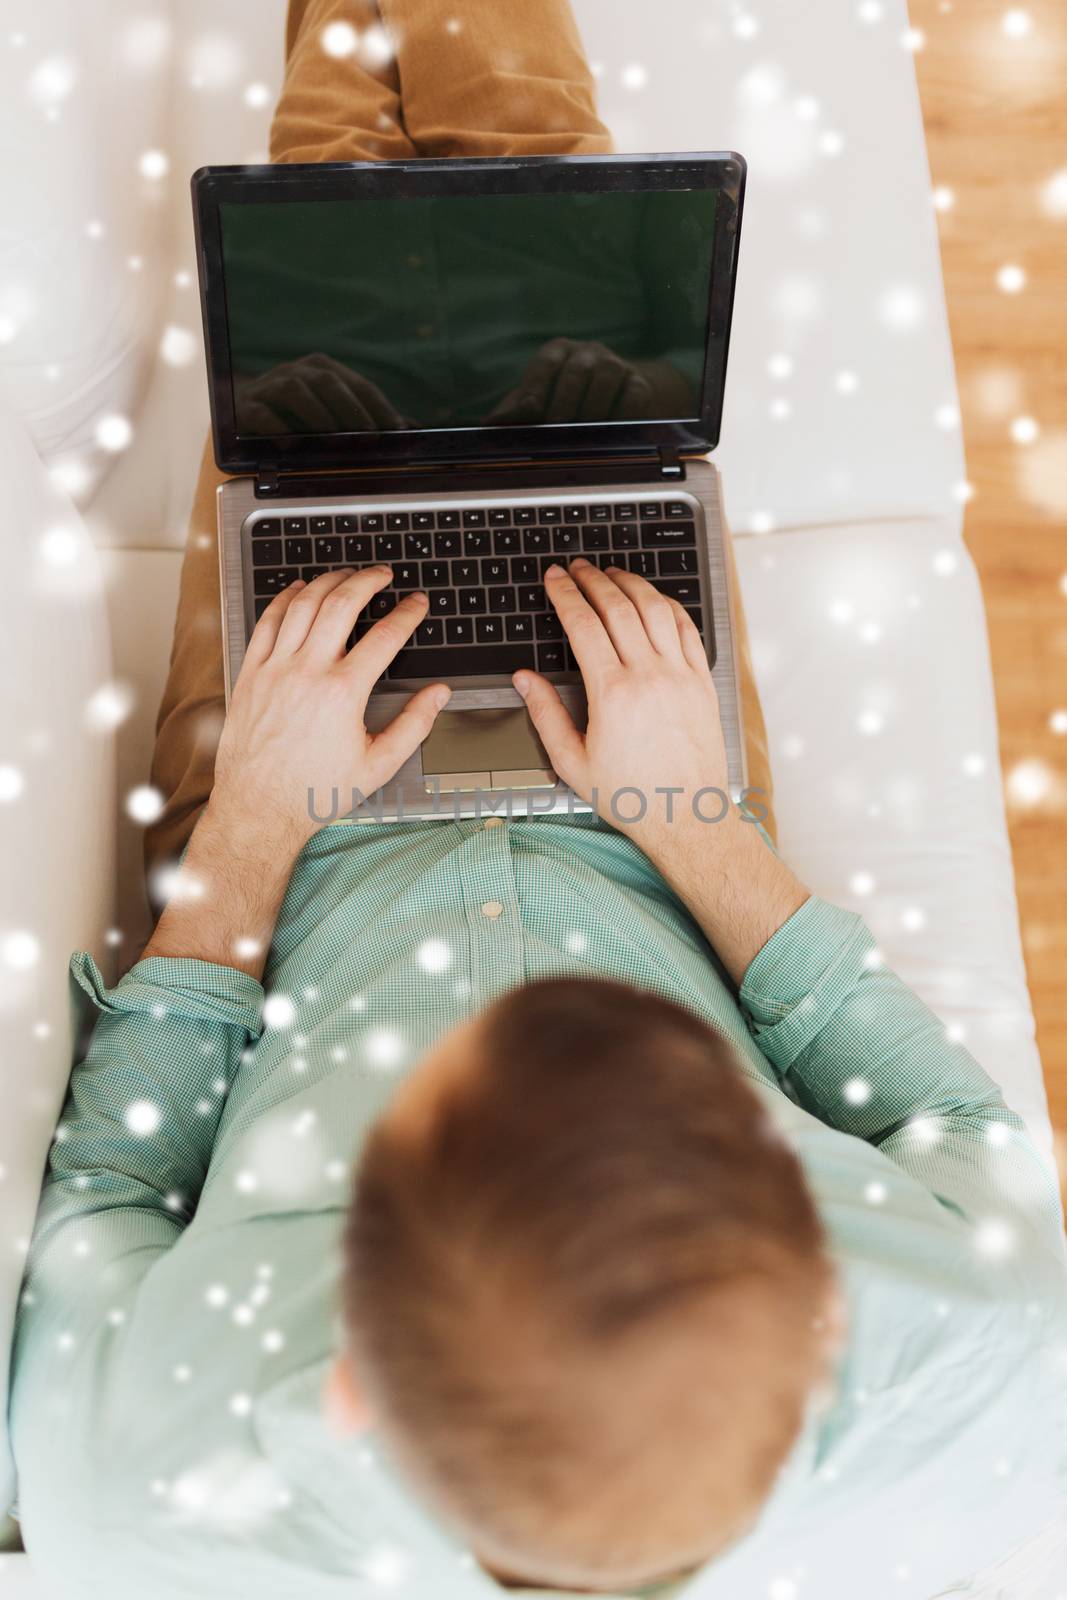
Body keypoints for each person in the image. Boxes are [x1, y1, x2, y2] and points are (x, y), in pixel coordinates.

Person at [9, 4, 1066, 1599]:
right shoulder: (992, 1372)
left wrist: (251, 825)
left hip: (279, 832)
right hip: (666, 811)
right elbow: (960, 1128)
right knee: (544, 239)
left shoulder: (138, 1479)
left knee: (325, 272)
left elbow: (111, 1187)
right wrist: (684, 811)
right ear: (832, 1299)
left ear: (348, 1379)